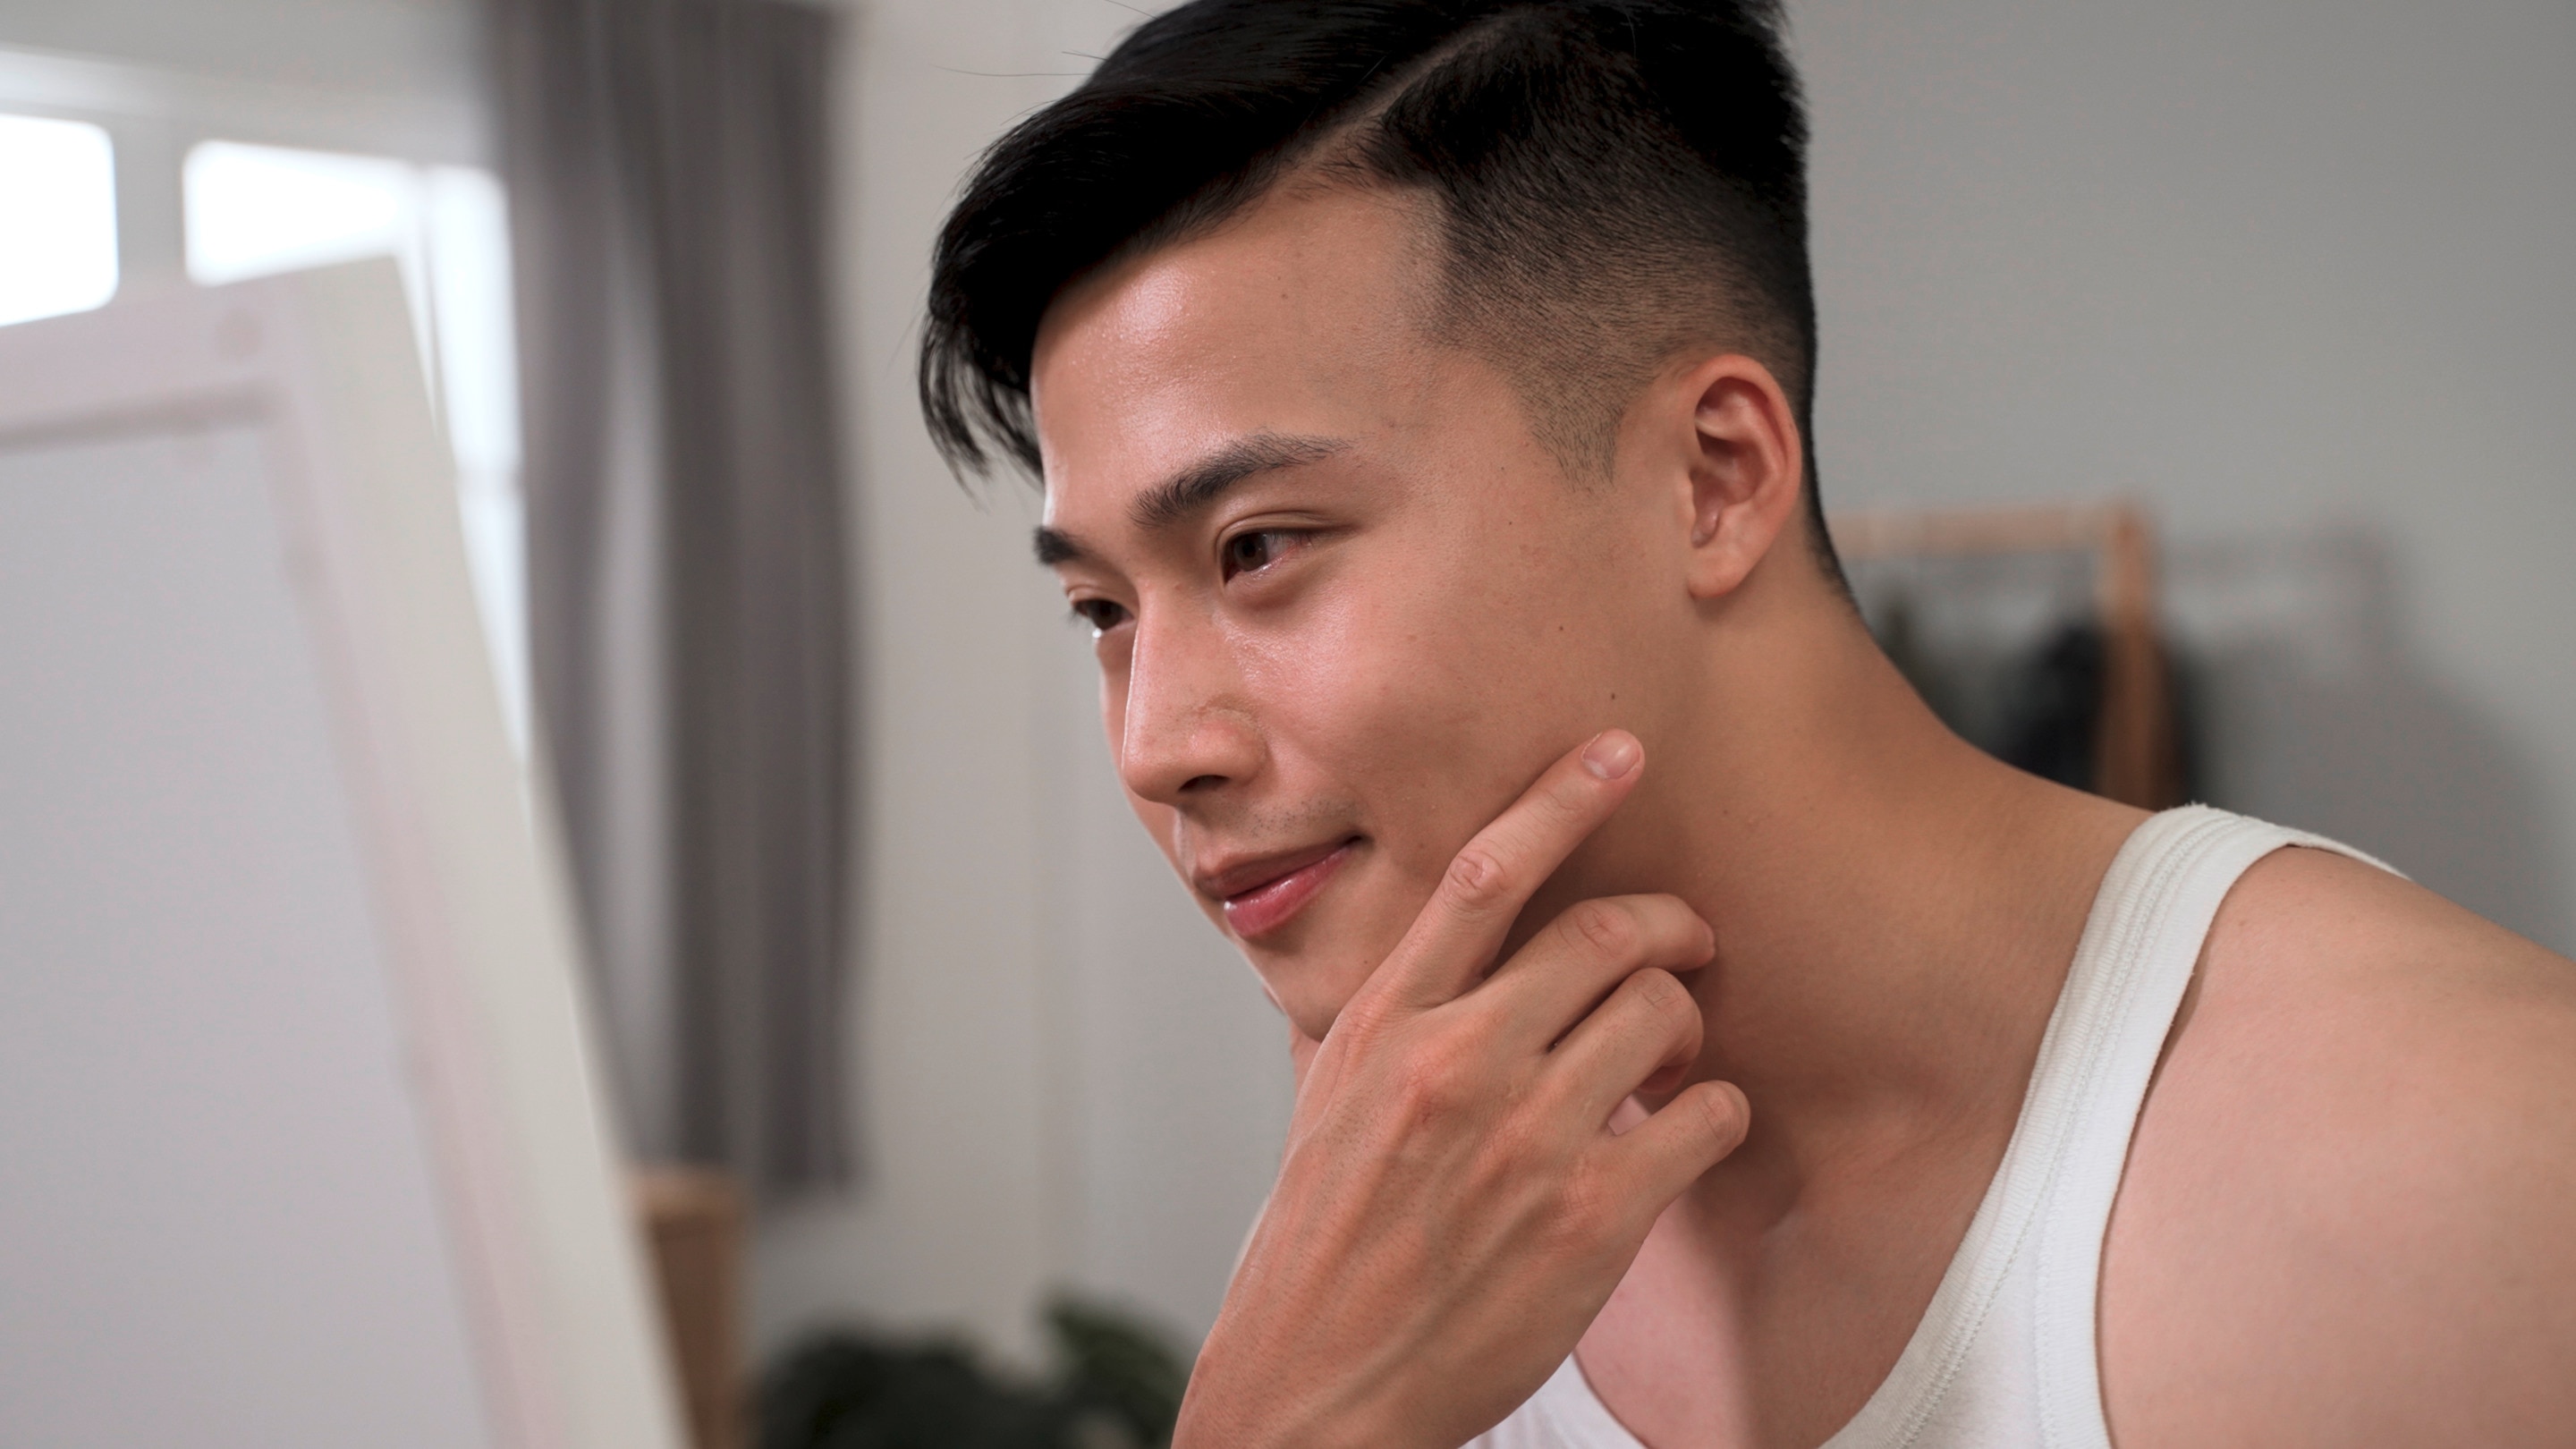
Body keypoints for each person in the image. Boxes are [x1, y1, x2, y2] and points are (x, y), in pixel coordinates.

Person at [918, 3, 2576, 1445]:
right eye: (1103, 613)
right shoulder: (1401, 1186)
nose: (1155, 745)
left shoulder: (2464, 1172)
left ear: (1715, 478)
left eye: (1257, 550)